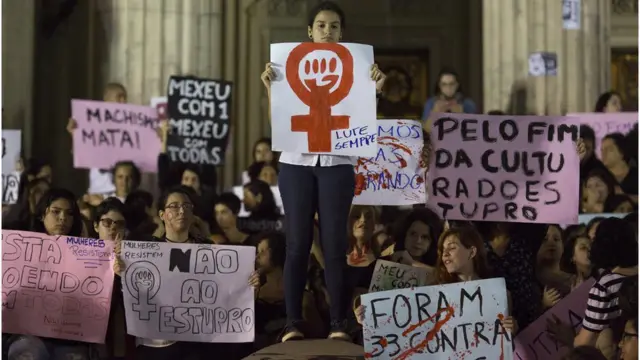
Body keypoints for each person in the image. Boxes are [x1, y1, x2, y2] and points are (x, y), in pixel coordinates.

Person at [260, 0, 386, 342]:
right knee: (297, 243)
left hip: (337, 165)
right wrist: (272, 87)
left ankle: (338, 322)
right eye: (321, 25)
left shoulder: (360, 69)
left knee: (333, 244)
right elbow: (280, 125)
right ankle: (292, 322)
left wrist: (376, 89)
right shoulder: (288, 67)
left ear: (342, 32)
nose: (327, 31)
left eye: (333, 26)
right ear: (309, 32)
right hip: (296, 164)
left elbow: (363, 118)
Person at [422, 67, 477, 132]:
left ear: (457, 84)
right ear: (439, 85)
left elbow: (475, 129)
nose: (448, 88)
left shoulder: (468, 103)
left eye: (451, 84)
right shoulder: (431, 103)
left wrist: (461, 114)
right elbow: (426, 130)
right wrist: (435, 112)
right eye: (444, 84)